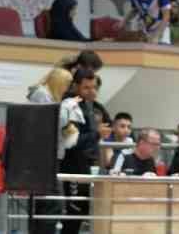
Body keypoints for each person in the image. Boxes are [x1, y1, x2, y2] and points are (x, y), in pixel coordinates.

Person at [46, 70, 111, 234]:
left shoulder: (93, 107)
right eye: (86, 88)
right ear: (76, 86)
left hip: (87, 164)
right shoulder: (70, 106)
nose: (92, 91)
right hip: (72, 164)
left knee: (83, 208)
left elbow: (107, 124)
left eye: (94, 87)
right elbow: (71, 142)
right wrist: (97, 134)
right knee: (75, 210)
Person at [29, 50, 103, 103]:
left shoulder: (74, 76)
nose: (91, 75)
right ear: (79, 66)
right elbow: (59, 102)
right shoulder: (63, 75)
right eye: (91, 71)